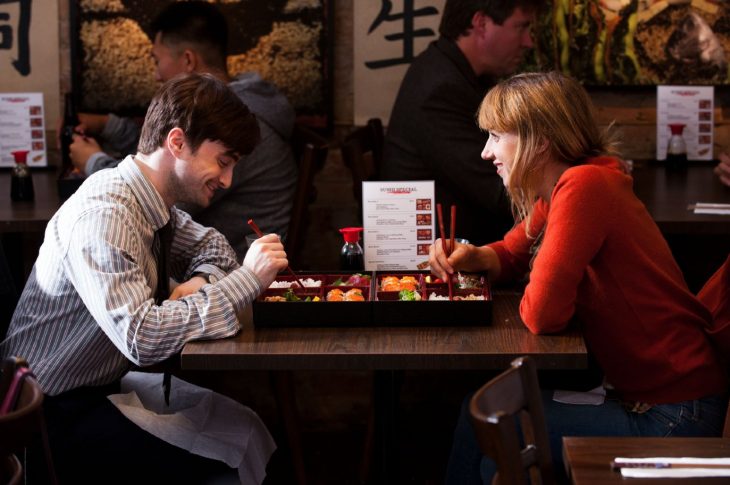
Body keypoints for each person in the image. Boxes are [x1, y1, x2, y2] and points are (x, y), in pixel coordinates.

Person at [429, 71, 728, 484]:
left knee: (485, 423)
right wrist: (469, 255)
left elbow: (543, 315)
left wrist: (532, 273)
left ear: (540, 141)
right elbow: (508, 254)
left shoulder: (584, 185)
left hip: (673, 415)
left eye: (497, 136)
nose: (485, 152)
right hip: (653, 398)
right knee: (488, 449)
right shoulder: (570, 183)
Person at [1, 72, 289, 483]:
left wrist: (202, 283)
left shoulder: (152, 202)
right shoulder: (107, 214)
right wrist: (247, 281)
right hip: (48, 420)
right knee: (228, 459)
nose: (227, 180)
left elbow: (215, 248)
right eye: (223, 161)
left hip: (100, 390)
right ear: (176, 142)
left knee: (245, 428)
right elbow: (144, 338)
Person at [69, 1, 297, 259]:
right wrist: (107, 124)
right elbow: (160, 148)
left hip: (234, 263)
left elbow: (156, 199)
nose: (156, 75)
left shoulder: (239, 125)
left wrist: (93, 162)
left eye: (157, 60)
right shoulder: (231, 108)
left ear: (188, 60)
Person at [381, 0, 545, 246]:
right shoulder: (441, 87)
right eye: (520, 27)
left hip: (469, 237)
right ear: (481, 23)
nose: (528, 41)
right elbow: (499, 194)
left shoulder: (457, 73)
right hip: (439, 255)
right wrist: (564, 190)